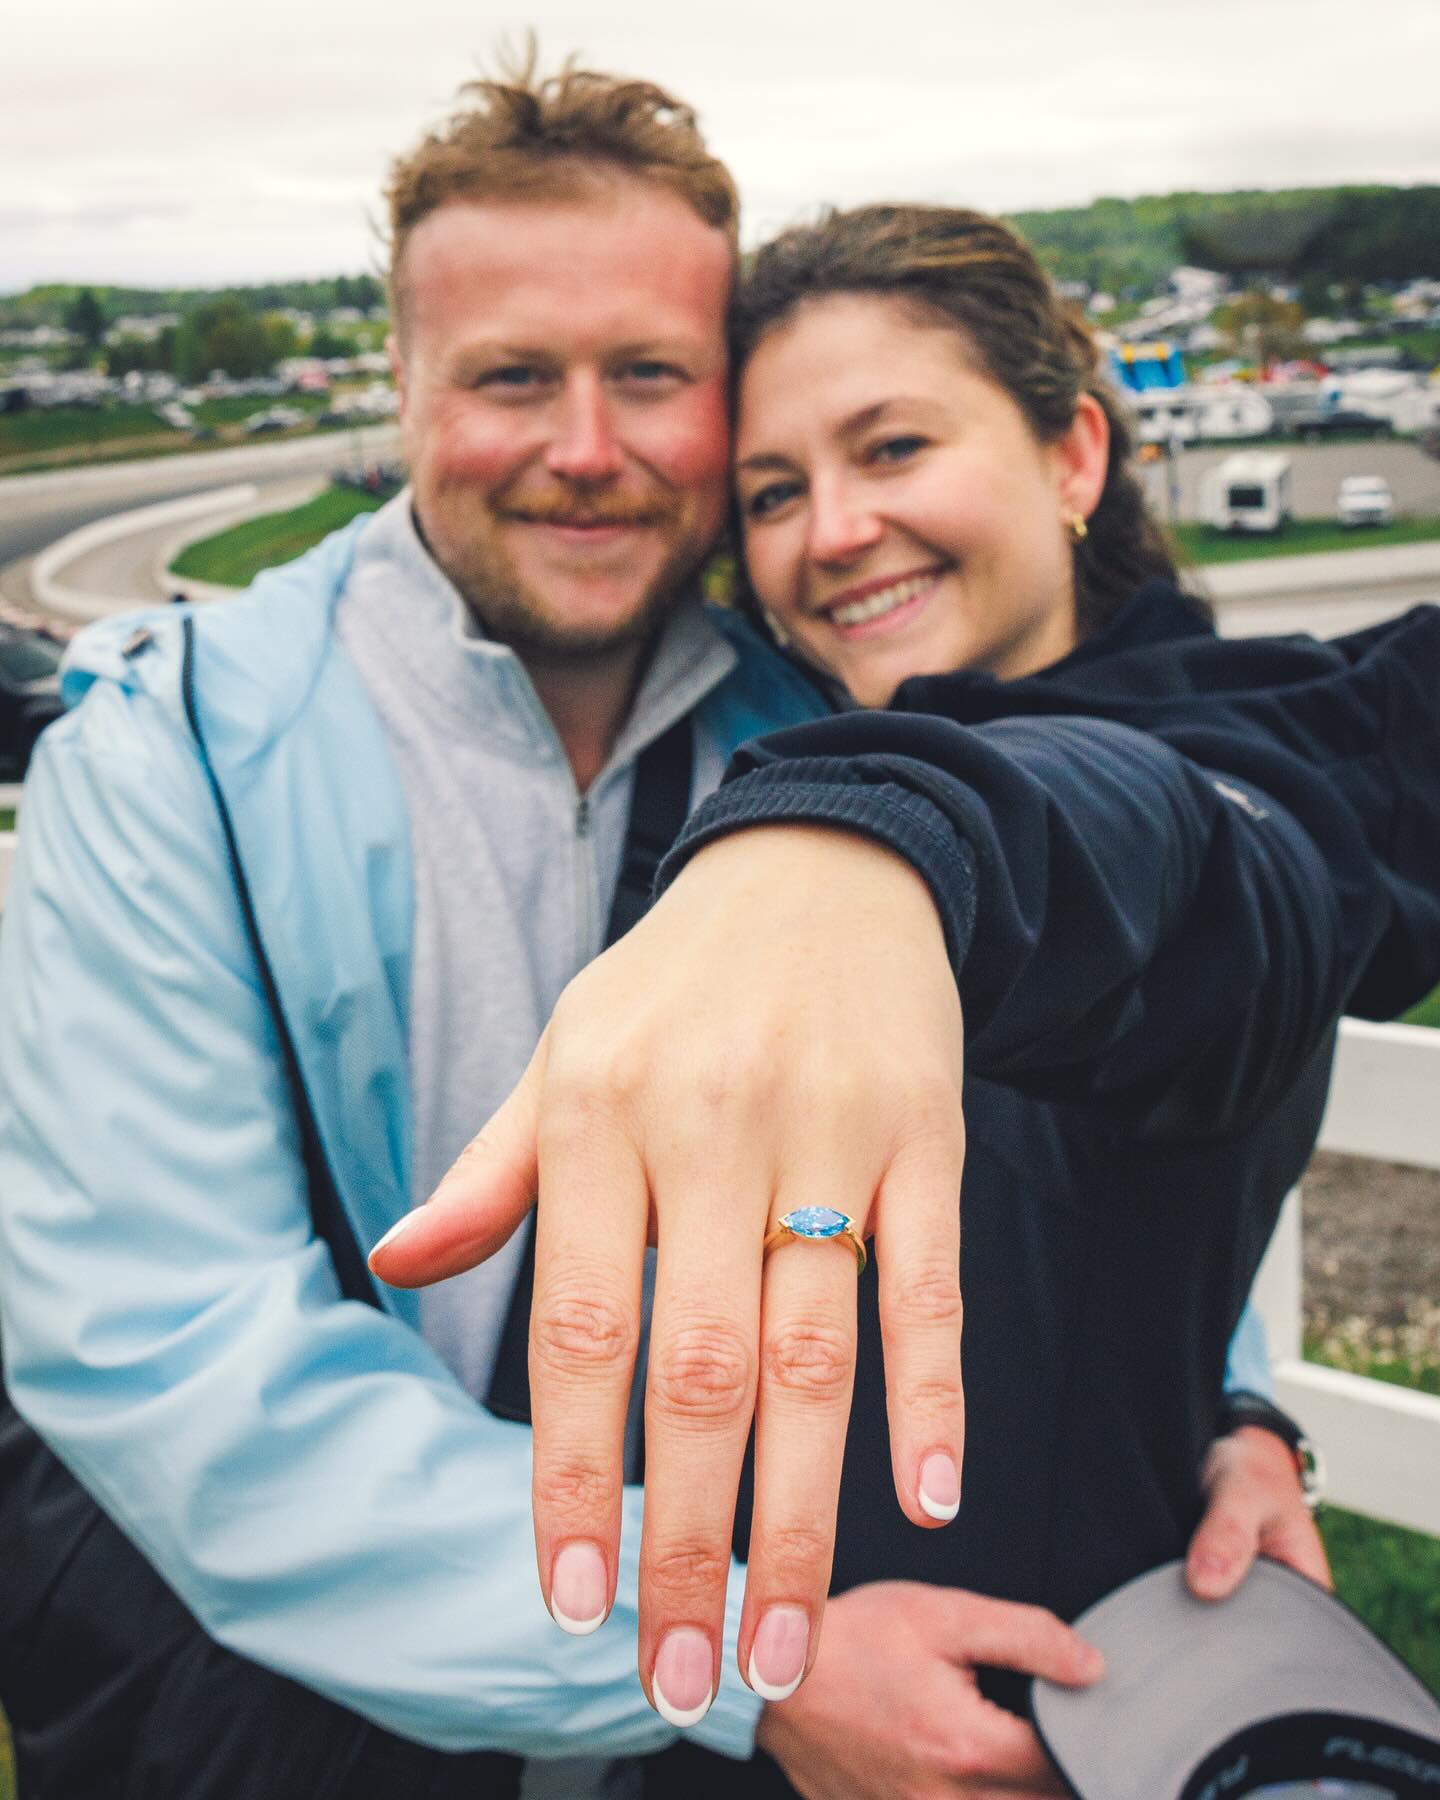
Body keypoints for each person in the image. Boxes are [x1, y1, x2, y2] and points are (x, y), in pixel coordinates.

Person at [0, 63, 1319, 1799]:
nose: (585, 449)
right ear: (399, 388)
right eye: (510, 377)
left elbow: (1046, 1129)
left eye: (649, 376)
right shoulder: (170, 753)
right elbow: (164, 1342)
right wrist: (723, 1654)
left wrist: (1237, 1399)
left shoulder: (825, 719)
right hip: (299, 1711)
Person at [376, 203, 1440, 1796]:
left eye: (892, 448)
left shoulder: (1244, 747)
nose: (833, 531)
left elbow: (1177, 855)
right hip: (739, 1709)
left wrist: (891, 839)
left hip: (1021, 1723)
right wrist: (1243, 1405)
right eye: (773, 493)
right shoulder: (759, 742)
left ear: (1074, 454)